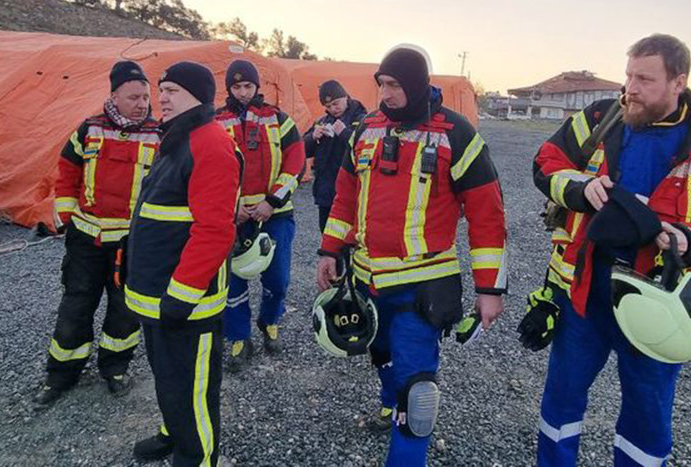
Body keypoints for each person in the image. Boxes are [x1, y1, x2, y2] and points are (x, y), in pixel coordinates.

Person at [529, 34, 691, 466]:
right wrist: (582, 188)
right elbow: (546, 162)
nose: (630, 89)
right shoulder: (601, 118)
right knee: (560, 403)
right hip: (583, 293)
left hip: (658, 307)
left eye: (644, 79)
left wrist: (690, 241)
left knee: (647, 420)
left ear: (679, 82)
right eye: (628, 76)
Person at [315, 45, 507, 467]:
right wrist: (330, 249)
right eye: (382, 84)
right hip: (367, 282)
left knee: (418, 389)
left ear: (418, 85)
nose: (386, 93)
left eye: (395, 85)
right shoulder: (364, 129)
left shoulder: (458, 135)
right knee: (380, 354)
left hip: (423, 286)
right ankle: (389, 401)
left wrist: (490, 289)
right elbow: (345, 196)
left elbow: (487, 217)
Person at [124, 61, 242, 465]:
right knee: (170, 382)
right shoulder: (177, 138)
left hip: (185, 305)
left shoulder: (210, 142)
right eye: (162, 90)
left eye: (172, 90)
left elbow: (214, 232)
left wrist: (180, 297)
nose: (162, 98)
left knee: (192, 395)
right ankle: (171, 432)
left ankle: (196, 456)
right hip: (158, 298)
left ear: (199, 96)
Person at [33, 61, 161, 407]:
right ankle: (62, 372)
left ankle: (115, 368)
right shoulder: (88, 129)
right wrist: (64, 211)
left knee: (124, 310)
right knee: (76, 305)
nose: (142, 103)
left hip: (131, 242)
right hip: (86, 238)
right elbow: (67, 171)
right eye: (133, 96)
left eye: (146, 97)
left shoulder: (159, 134)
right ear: (114, 95)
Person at [214, 60, 305, 368]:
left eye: (248, 86)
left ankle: (270, 321)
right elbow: (209, 170)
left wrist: (272, 202)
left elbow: (296, 163)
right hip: (233, 217)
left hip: (274, 214)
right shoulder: (215, 122)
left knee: (277, 278)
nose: (242, 92)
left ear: (257, 87)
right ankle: (239, 336)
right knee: (232, 282)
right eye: (236, 87)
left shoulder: (279, 119)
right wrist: (230, 207)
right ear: (229, 89)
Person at [303, 79, 368, 231]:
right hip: (326, 192)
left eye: (336, 103)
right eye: (328, 106)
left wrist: (344, 133)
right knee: (326, 234)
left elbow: (365, 148)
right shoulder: (323, 121)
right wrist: (313, 137)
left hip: (352, 192)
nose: (333, 108)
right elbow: (302, 150)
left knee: (349, 238)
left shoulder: (362, 119)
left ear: (345, 96)